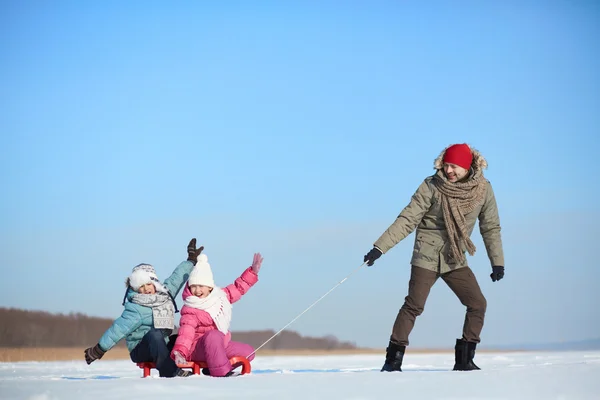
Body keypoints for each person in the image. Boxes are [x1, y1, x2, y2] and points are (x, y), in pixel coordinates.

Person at [363, 143, 504, 372]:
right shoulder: (432, 186)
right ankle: (393, 361)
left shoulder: (483, 190)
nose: (449, 170)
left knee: (477, 304)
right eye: (446, 165)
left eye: (454, 166)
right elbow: (407, 219)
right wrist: (380, 248)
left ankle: (464, 360)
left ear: (467, 166)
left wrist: (497, 262)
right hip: (426, 255)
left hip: (455, 258)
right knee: (414, 306)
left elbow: (490, 227)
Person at [83, 238, 204, 378]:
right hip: (140, 349)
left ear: (155, 283)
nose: (146, 289)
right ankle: (171, 372)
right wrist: (99, 349)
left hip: (160, 346)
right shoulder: (135, 306)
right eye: (141, 286)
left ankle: (207, 364)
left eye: (148, 284)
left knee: (184, 337)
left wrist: (190, 260)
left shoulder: (165, 295)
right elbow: (117, 330)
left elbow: (176, 278)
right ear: (136, 288)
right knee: (154, 334)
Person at [170, 252, 262, 377]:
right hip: (197, 349)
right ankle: (221, 372)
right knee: (213, 335)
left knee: (248, 352)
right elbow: (186, 333)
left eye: (201, 286)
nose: (197, 290)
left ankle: (213, 366)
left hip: (219, 346)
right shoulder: (190, 308)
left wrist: (252, 272)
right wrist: (180, 352)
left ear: (209, 287)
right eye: (194, 286)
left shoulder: (220, 297)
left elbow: (238, 288)